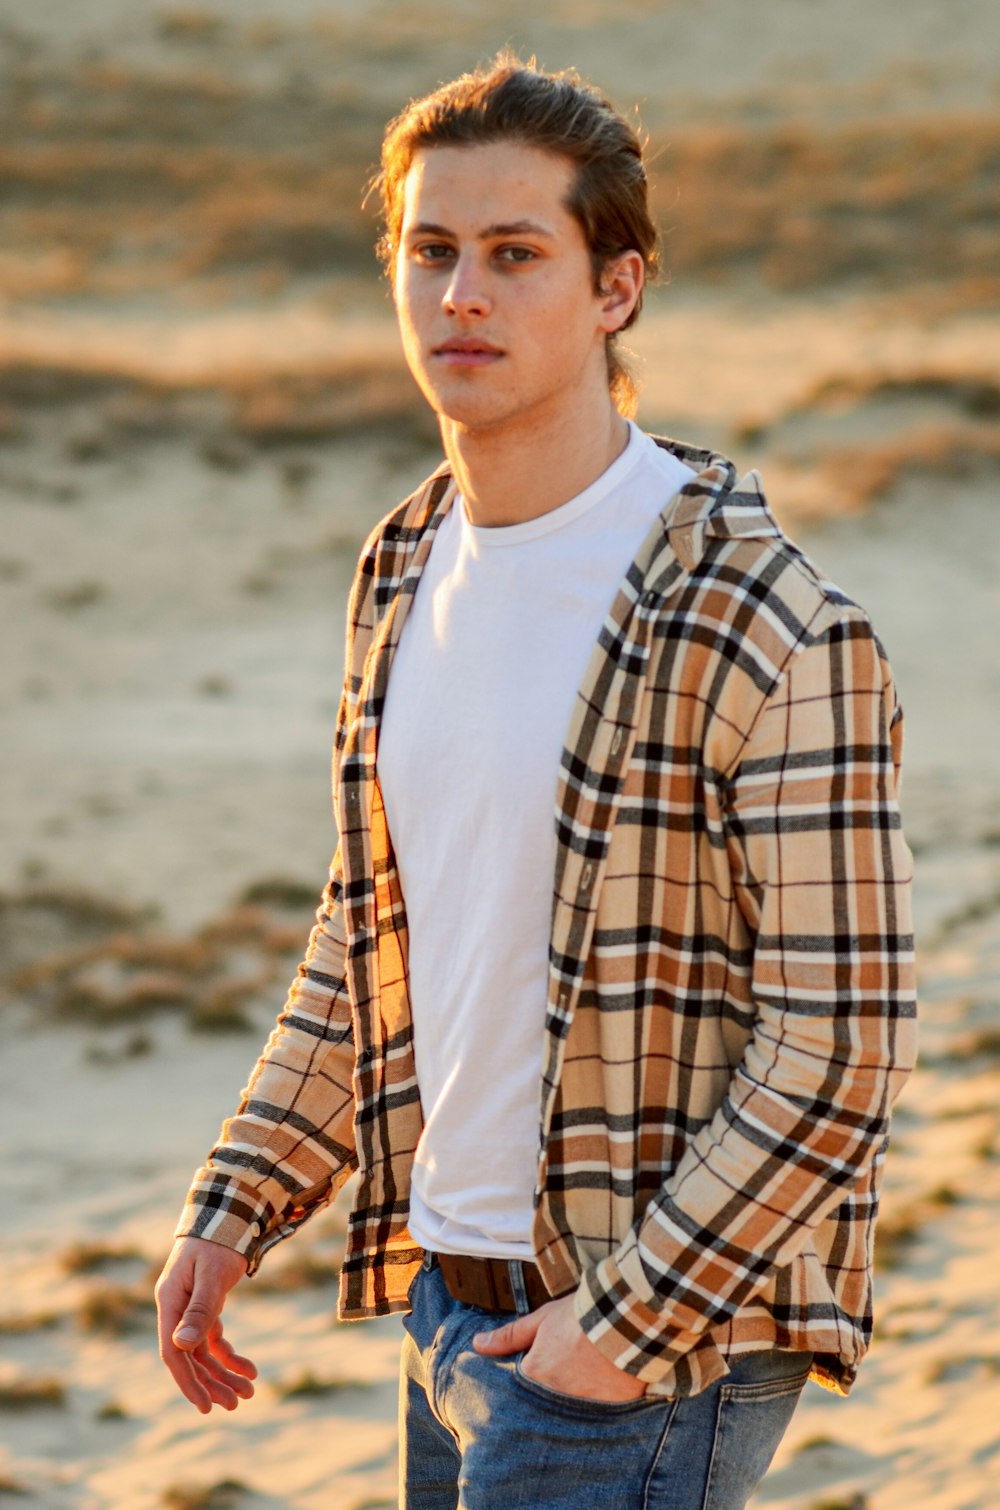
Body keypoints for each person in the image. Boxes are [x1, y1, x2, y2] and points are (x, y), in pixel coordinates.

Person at [155, 56, 918, 1510]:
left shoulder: (766, 622)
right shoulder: (405, 563)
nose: (463, 297)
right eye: (431, 252)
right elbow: (377, 924)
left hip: (641, 1338)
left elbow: (843, 1047)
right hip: (450, 1299)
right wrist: (239, 1198)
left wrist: (623, 1326)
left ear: (616, 290)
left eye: (516, 255)